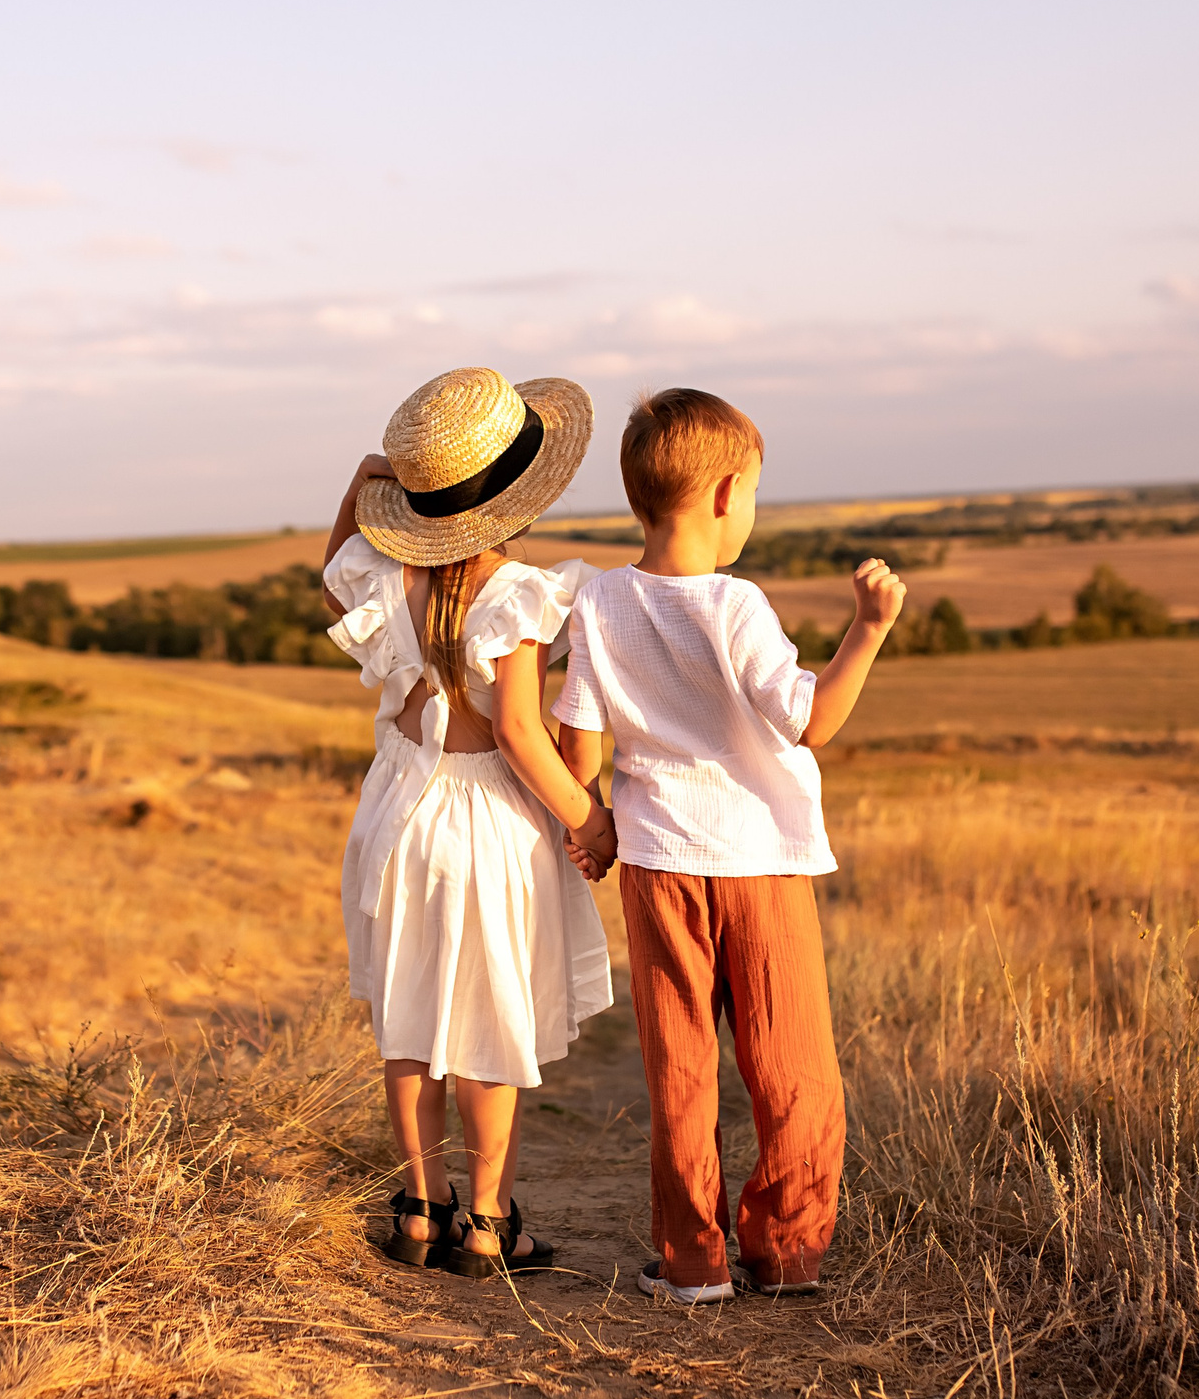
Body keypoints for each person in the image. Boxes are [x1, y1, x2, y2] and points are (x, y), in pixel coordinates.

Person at [553, 388, 905, 1304]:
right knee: (791, 1063)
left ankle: (693, 1263)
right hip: (760, 861)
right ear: (722, 493)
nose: (750, 511)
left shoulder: (598, 603)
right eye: (753, 494)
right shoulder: (736, 605)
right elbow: (813, 721)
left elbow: (579, 743)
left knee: (682, 1065)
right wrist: (867, 631)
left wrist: (590, 822)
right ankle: (786, 1251)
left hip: (661, 863)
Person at [321, 366, 618, 1277]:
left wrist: (365, 481)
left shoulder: (383, 572)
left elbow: (328, 570)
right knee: (488, 1029)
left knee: (411, 1025)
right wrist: (588, 817)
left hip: (398, 813)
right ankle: (488, 1225)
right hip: (483, 818)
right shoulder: (513, 591)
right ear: (516, 498)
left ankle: (419, 1209)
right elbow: (522, 733)